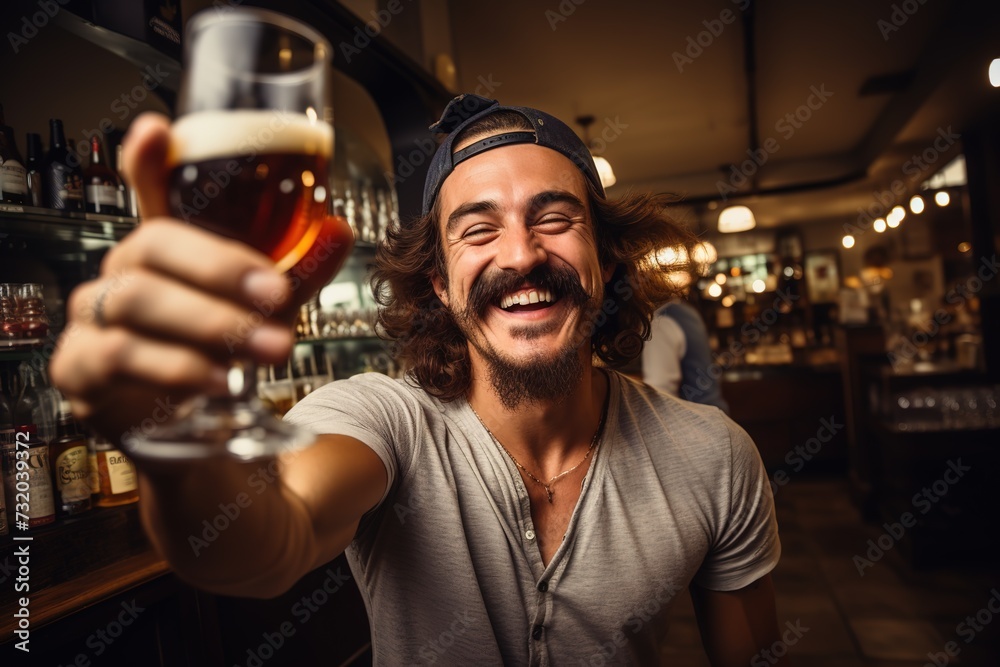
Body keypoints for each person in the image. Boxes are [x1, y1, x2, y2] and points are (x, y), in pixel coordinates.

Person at [51, 94, 784, 665]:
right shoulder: (382, 420)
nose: (521, 254)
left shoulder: (712, 454)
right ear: (439, 281)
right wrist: (176, 433)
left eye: (554, 217)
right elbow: (257, 544)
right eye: (478, 228)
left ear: (609, 256)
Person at [642, 296, 730, 413]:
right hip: (717, 416)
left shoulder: (660, 322)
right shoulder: (687, 311)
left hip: (696, 423)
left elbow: (659, 394)